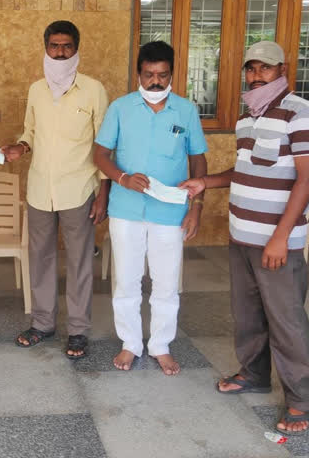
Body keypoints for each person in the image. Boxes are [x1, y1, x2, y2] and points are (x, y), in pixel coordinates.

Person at [181, 41, 309, 435]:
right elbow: (242, 171)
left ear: (283, 70)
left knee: (286, 321)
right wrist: (205, 181)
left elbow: (308, 178)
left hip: (277, 243)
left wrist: (281, 236)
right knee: (247, 316)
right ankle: (254, 374)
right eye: (252, 68)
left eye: (266, 68)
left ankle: (300, 400)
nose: (257, 75)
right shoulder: (248, 118)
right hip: (241, 236)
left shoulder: (303, 114)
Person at [93, 41, 207, 375]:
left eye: (162, 75)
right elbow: (100, 154)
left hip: (170, 211)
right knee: (126, 281)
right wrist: (122, 177)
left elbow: (198, 158)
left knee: (166, 283)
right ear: (138, 73)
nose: (155, 82)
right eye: (148, 75)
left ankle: (160, 345)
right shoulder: (120, 108)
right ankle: (131, 342)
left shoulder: (185, 111)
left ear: (172, 73)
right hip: (126, 209)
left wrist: (197, 205)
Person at [3, 20, 109, 360]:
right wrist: (21, 146)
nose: (60, 52)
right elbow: (30, 131)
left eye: (66, 46)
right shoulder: (36, 89)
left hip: (79, 187)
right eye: (54, 46)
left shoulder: (93, 89)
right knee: (41, 258)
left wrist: (104, 191)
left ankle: (78, 330)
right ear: (45, 48)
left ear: (76, 49)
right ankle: (43, 323)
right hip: (39, 189)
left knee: (79, 261)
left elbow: (105, 145)